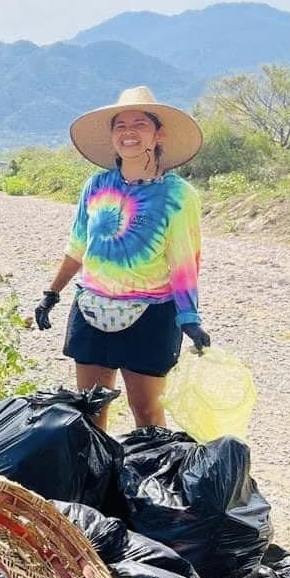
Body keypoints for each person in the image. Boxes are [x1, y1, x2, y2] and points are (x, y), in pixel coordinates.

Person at [33, 86, 210, 430]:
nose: (128, 132)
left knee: (146, 413)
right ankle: (98, 482)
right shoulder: (96, 186)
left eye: (140, 124)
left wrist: (188, 316)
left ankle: (149, 477)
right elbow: (78, 248)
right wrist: (51, 294)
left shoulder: (177, 196)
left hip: (151, 315)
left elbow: (184, 261)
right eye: (120, 126)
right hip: (91, 308)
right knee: (89, 411)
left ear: (159, 133)